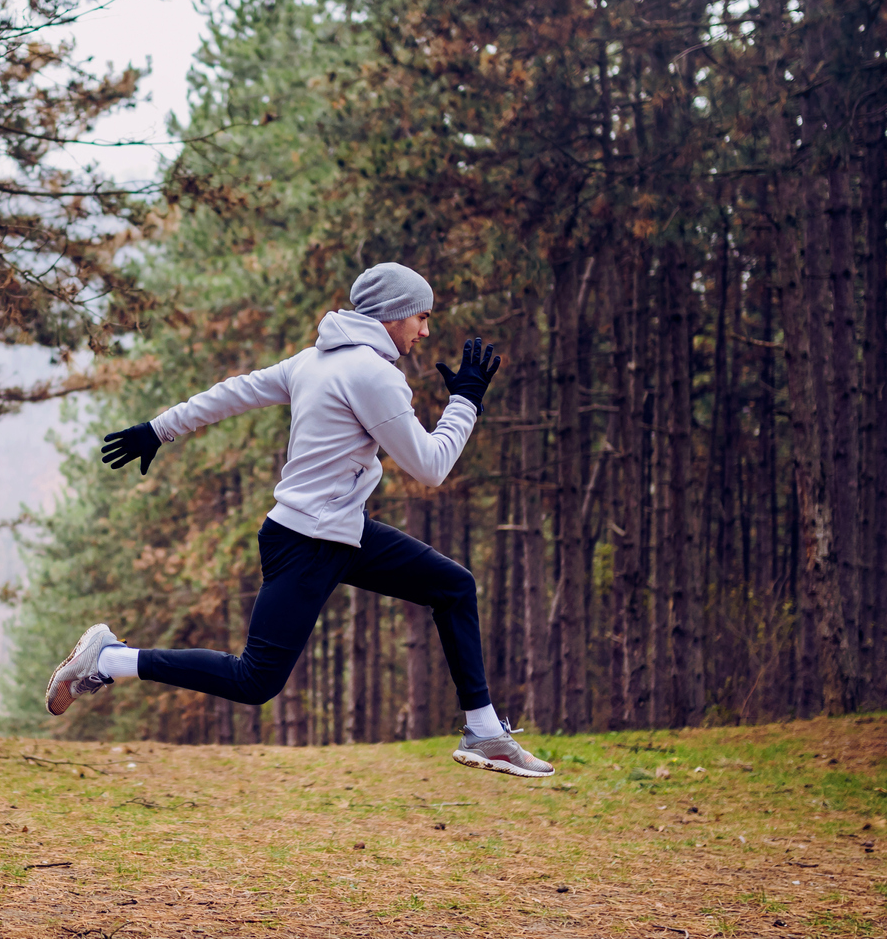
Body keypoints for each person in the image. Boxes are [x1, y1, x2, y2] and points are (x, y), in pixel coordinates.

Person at [44, 262, 553, 777]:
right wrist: (465, 401)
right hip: (310, 540)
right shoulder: (372, 375)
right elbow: (431, 466)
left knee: (453, 587)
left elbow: (235, 391)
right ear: (393, 316)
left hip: (338, 531)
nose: (425, 331)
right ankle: (109, 660)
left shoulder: (316, 360)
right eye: (421, 318)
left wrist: (158, 429)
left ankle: (485, 732)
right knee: (254, 680)